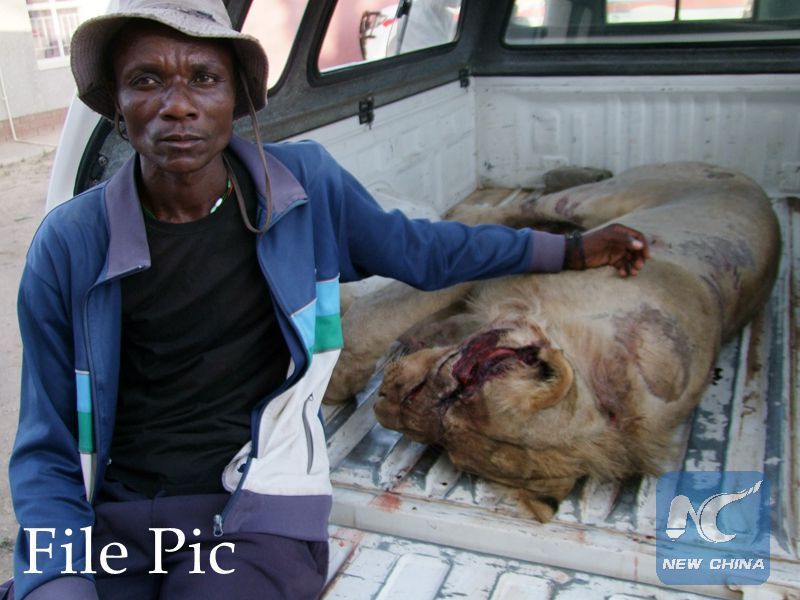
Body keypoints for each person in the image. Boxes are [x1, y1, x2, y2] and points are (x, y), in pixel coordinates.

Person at [6, 0, 649, 598]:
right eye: (146, 80)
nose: (177, 106)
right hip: (122, 519)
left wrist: (567, 250)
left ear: (237, 99)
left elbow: (424, 252)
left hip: (256, 502)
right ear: (117, 107)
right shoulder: (71, 245)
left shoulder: (302, 190)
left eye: (203, 78)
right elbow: (48, 447)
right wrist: (56, 574)